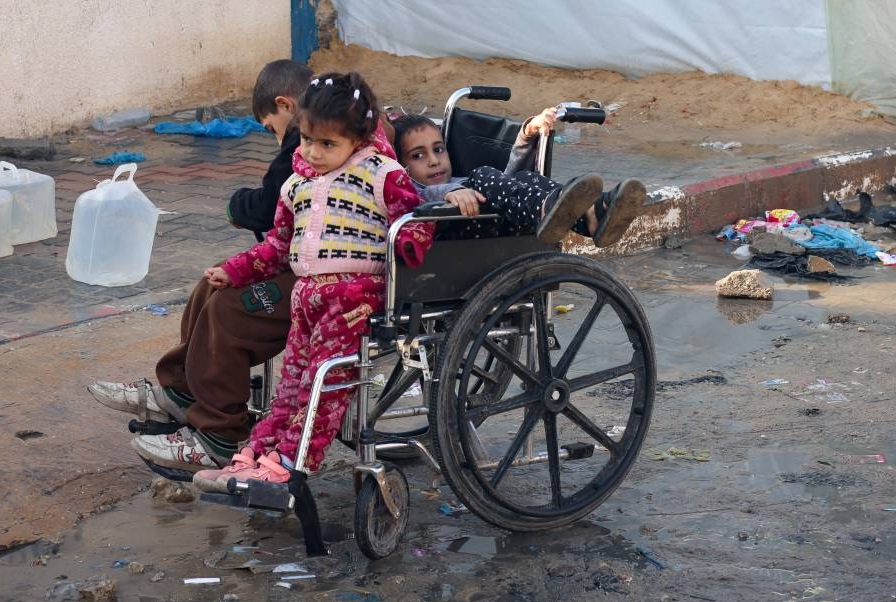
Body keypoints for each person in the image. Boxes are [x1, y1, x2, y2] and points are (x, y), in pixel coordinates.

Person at [188, 71, 433, 491]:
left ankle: (289, 462)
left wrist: (409, 242)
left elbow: (412, 221)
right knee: (291, 384)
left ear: (356, 139)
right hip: (306, 297)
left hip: (354, 297)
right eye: (306, 140)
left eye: (327, 144)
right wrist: (235, 269)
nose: (313, 153)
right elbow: (277, 247)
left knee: (324, 382)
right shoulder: (296, 184)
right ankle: (256, 456)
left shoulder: (382, 173)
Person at [88, 59, 314, 474]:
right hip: (298, 257)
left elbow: (267, 208)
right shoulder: (310, 148)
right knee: (211, 286)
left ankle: (219, 436)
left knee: (228, 312)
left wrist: (239, 209)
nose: (308, 151)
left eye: (270, 127)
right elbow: (279, 225)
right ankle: (183, 392)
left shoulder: (311, 144)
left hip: (327, 277)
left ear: (285, 104)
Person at [393, 109, 646, 247]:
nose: (434, 160)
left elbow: (507, 182)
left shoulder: (460, 178)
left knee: (524, 177)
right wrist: (448, 194)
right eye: (418, 155)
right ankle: (549, 207)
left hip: (492, 237)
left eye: (438, 149)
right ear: (402, 166)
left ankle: (593, 216)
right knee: (481, 175)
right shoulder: (410, 191)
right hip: (446, 242)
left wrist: (527, 134)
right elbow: (419, 197)